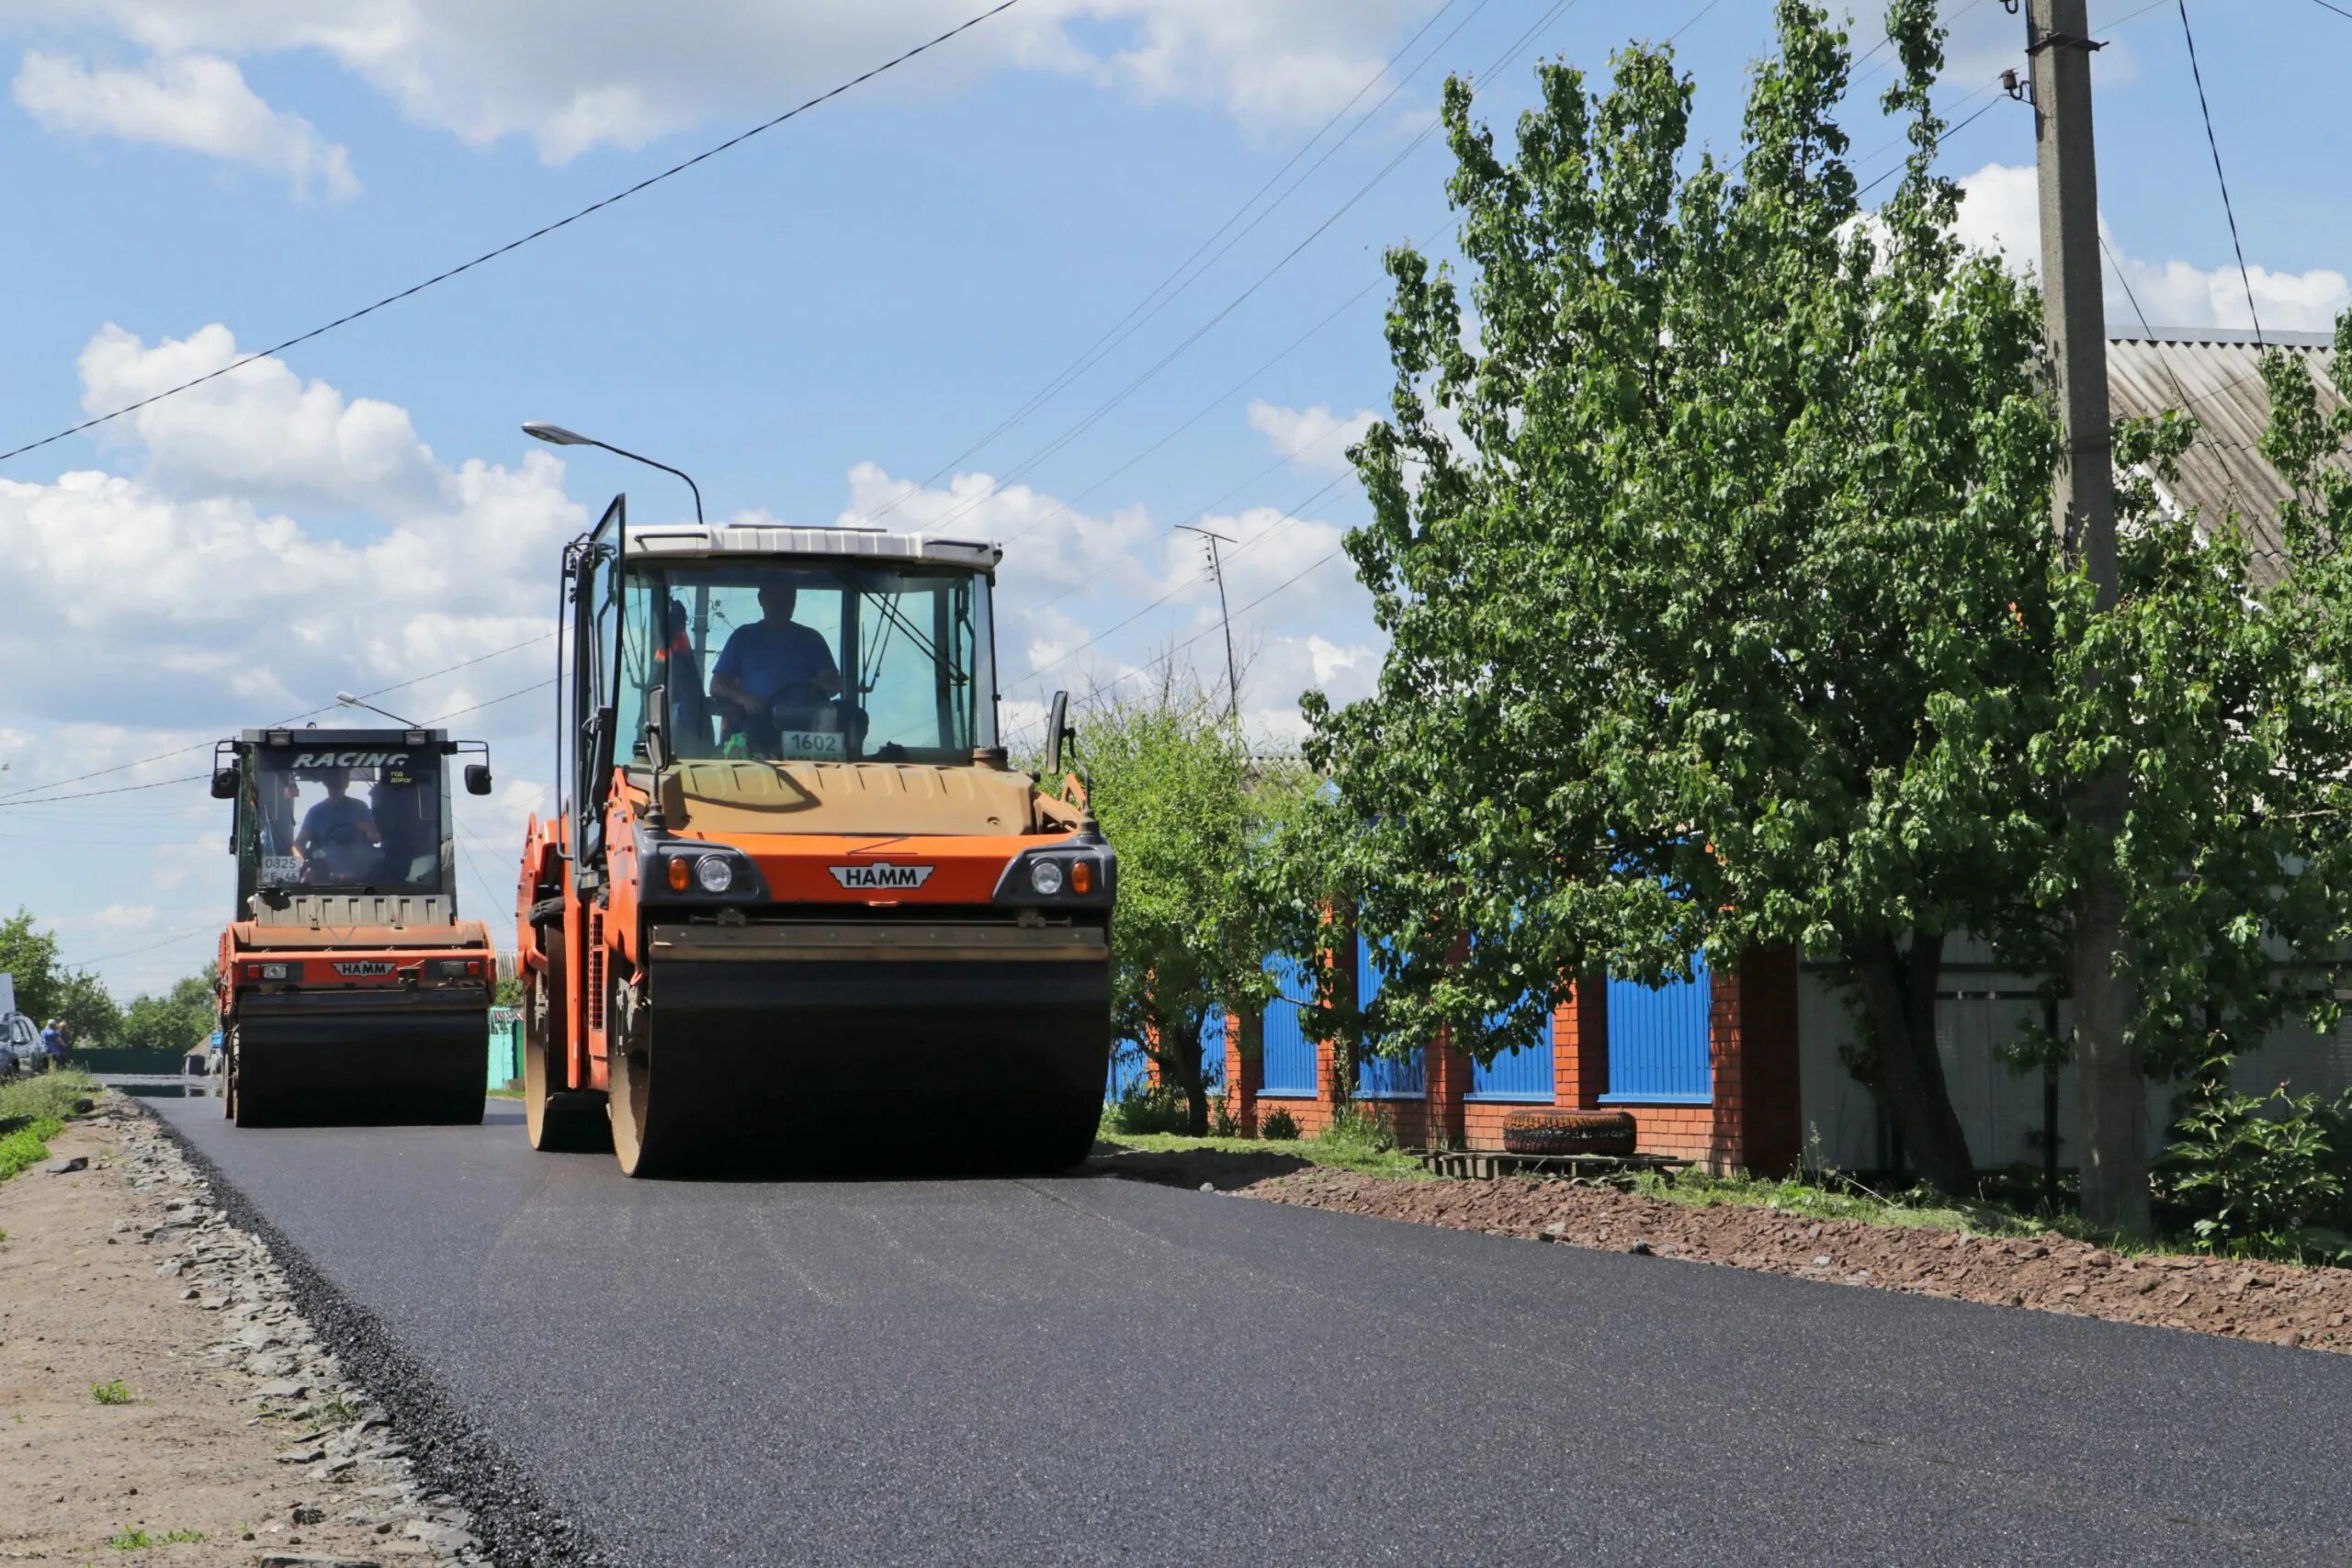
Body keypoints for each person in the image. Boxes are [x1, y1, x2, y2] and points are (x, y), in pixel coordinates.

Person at [709, 581, 840, 749]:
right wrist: (744, 698)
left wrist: (813, 686)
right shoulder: (743, 637)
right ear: (761, 599)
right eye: (776, 597)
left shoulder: (812, 639)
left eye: (788, 597)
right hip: (758, 724)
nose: (783, 603)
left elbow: (833, 684)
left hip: (808, 729)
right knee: (752, 734)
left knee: (852, 716)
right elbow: (717, 685)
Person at [293, 766, 381, 883]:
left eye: (344, 773)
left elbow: (376, 837)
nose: (341, 777)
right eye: (335, 773)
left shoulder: (360, 808)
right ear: (325, 780)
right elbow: (299, 842)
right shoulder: (316, 813)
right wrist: (302, 864)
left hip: (362, 877)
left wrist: (362, 828)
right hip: (324, 877)